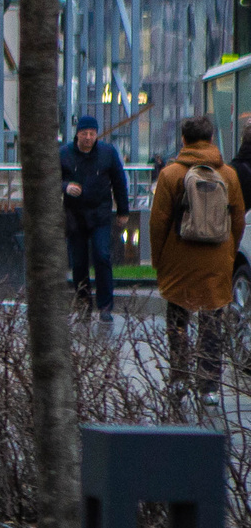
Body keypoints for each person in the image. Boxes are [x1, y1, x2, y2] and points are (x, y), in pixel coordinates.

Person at [148, 114, 243, 414]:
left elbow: (158, 221)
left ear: (184, 140)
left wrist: (158, 258)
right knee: (212, 323)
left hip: (179, 257)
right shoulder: (227, 175)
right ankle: (209, 386)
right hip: (217, 259)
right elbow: (238, 219)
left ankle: (179, 378)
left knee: (178, 319)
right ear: (212, 140)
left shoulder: (170, 174)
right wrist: (229, 252)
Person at [61, 114, 130, 317]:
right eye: (84, 134)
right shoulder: (65, 154)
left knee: (102, 256)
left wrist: (123, 211)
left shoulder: (107, 153)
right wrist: (66, 186)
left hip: (100, 213)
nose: (88, 138)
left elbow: (119, 182)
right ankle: (83, 302)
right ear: (78, 134)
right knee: (79, 261)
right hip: (75, 215)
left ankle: (105, 305)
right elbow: (53, 177)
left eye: (92, 134)